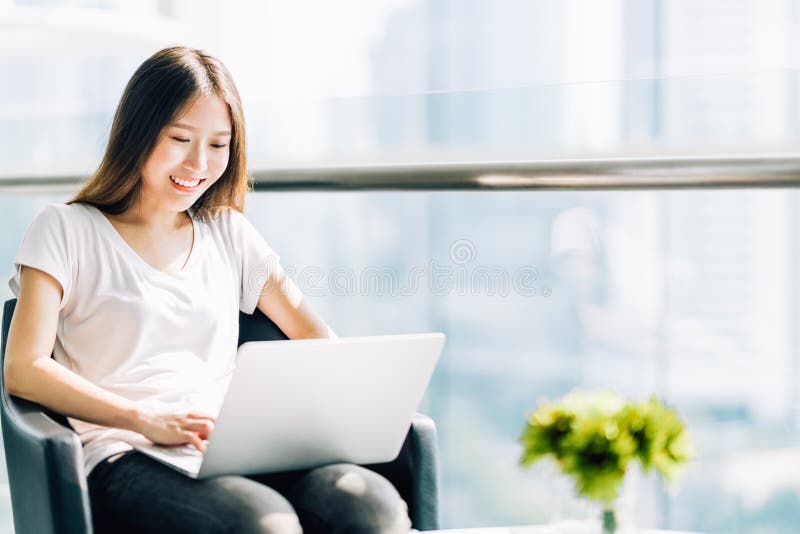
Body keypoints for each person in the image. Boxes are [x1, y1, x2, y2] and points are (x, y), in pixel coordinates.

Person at [4, 46, 412, 534]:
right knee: (263, 523)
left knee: (371, 509)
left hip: (234, 444)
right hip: (127, 452)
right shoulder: (65, 229)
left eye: (218, 145)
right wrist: (144, 419)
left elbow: (316, 341)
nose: (198, 163)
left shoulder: (229, 232)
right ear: (138, 132)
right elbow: (23, 369)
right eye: (180, 138)